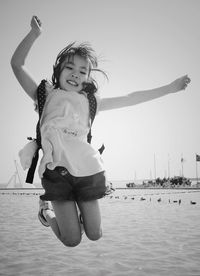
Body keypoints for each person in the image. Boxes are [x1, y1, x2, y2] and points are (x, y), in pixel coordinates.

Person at [11, 16, 191, 247]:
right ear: (58, 70)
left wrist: (169, 88)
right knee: (72, 240)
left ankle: (73, 214)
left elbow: (131, 98)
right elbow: (17, 64)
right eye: (69, 67)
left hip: (87, 173)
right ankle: (45, 212)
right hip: (56, 174)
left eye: (82, 70)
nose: (76, 74)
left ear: (87, 77)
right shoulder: (46, 95)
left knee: (95, 234)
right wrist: (34, 35)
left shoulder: (91, 102)